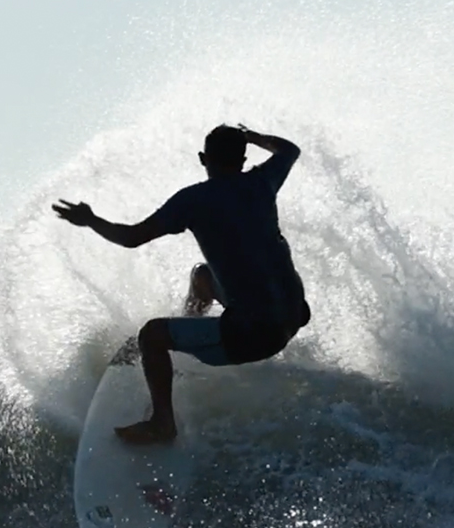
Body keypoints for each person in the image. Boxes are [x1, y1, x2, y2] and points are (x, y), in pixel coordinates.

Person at [53, 124, 310, 444]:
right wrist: (254, 137)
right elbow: (290, 150)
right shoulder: (262, 181)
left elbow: (132, 237)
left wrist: (90, 219)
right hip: (292, 316)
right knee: (203, 277)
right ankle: (188, 339)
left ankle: (162, 422)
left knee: (152, 335)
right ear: (243, 160)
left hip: (251, 337)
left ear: (203, 159)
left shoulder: (193, 200)